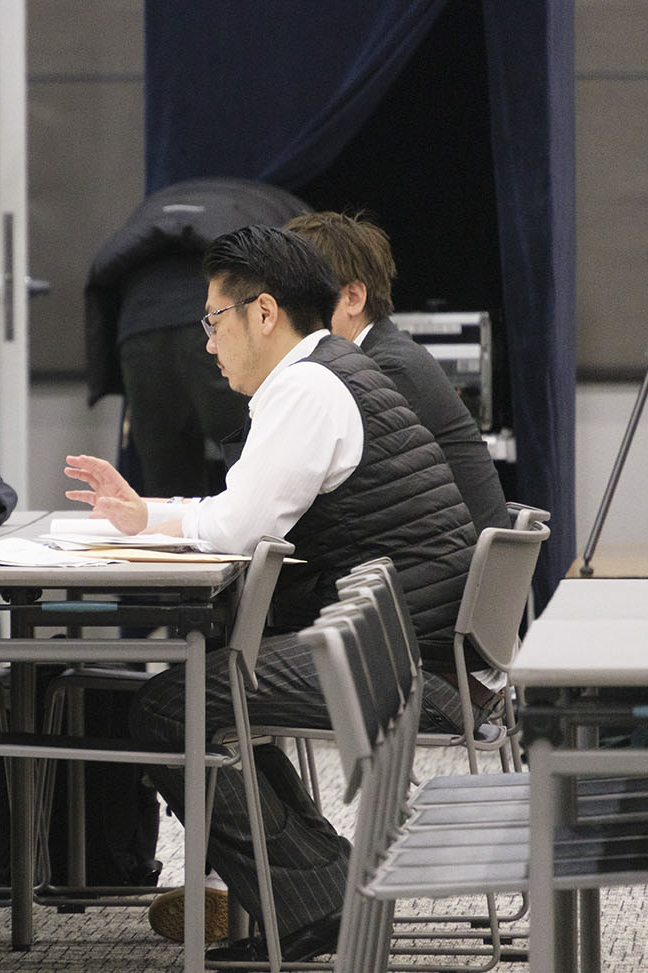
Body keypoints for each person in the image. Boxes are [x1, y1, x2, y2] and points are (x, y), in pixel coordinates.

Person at [65, 225, 478, 962]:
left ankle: (320, 897)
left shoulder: (305, 388)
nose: (207, 345)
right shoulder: (331, 370)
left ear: (263, 313)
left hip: (404, 661)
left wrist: (163, 518)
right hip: (420, 646)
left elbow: (238, 527)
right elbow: (241, 512)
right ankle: (325, 892)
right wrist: (144, 514)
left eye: (212, 321)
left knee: (175, 707)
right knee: (207, 693)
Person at [285, 210, 509, 533]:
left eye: (298, 302)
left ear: (353, 298)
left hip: (448, 561)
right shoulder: (384, 356)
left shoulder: (387, 371)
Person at [85, 178, 309, 497]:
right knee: (256, 469)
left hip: (138, 332)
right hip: (218, 323)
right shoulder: (285, 219)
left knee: (167, 487)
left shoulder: (151, 213)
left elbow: (102, 292)